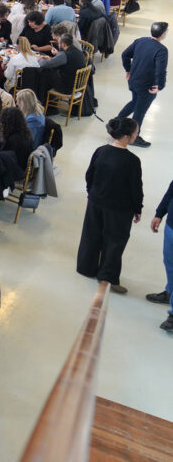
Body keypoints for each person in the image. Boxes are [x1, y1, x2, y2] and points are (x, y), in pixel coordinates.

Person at [75, 117, 144, 295]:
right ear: (127, 137)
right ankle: (107, 276)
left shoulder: (101, 151)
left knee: (91, 235)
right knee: (114, 241)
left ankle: (86, 267)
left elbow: (89, 175)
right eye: (136, 133)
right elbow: (136, 188)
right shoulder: (132, 161)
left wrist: (91, 193)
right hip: (119, 209)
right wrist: (138, 208)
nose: (137, 135)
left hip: (96, 201)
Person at [117, 22, 168, 146]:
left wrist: (128, 69)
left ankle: (116, 122)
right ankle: (134, 138)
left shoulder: (140, 41)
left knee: (135, 102)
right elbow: (160, 70)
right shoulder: (161, 50)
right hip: (147, 86)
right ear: (162, 34)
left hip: (133, 81)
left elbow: (125, 54)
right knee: (140, 112)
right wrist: (160, 86)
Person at [147, 178, 173, 331]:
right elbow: (171, 191)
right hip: (171, 227)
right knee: (169, 263)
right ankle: (170, 292)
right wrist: (159, 214)